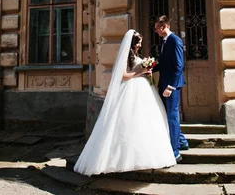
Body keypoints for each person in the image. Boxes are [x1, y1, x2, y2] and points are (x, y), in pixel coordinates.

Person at [74, 30, 176, 176]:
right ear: (133, 43)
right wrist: (141, 72)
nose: (140, 45)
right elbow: (123, 76)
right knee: (128, 122)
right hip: (130, 90)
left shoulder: (136, 55)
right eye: (139, 42)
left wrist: (147, 71)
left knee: (145, 123)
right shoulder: (125, 56)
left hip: (144, 89)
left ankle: (144, 156)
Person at [153, 15, 190, 162]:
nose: (155, 31)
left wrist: (170, 87)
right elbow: (164, 64)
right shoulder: (164, 41)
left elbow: (178, 66)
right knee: (168, 115)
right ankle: (182, 142)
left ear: (164, 27)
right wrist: (150, 68)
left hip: (171, 86)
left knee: (172, 116)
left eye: (157, 28)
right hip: (164, 83)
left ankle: (175, 151)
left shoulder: (175, 41)